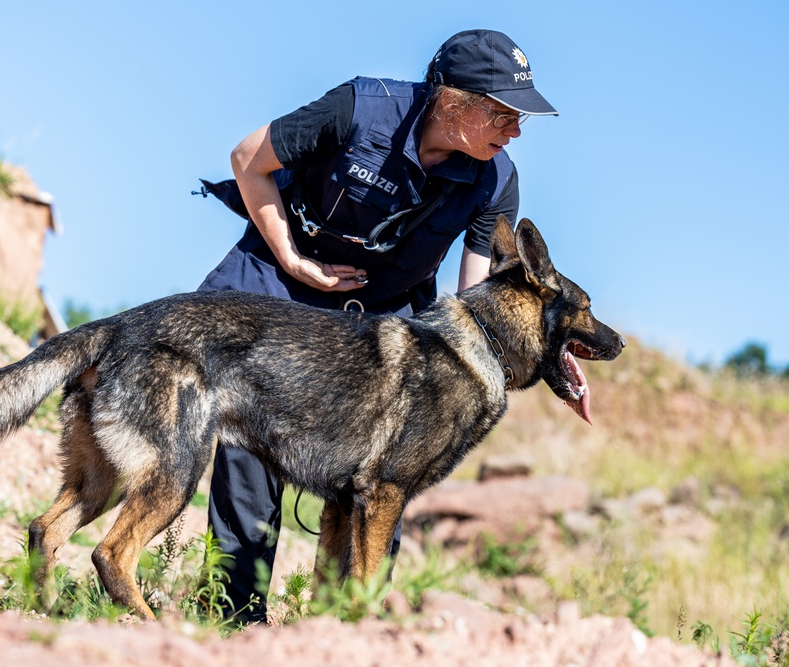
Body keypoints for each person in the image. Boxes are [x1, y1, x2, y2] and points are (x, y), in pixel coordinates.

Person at [196, 28, 558, 623]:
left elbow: (476, 298)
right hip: (284, 282)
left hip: (382, 318)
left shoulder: (497, 179)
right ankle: (231, 619)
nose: (515, 130)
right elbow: (247, 161)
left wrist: (540, 359)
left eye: (520, 118)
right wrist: (293, 260)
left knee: (389, 465)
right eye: (502, 113)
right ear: (451, 99)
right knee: (249, 441)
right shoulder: (360, 107)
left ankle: (342, 629)